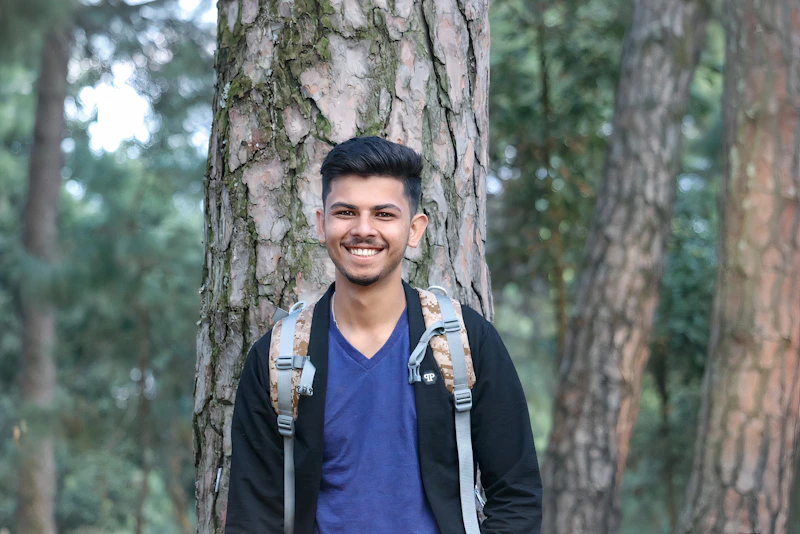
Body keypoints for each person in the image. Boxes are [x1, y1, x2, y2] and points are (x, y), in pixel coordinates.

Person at [225, 136, 542, 534]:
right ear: (323, 224)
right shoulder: (278, 357)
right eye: (345, 212)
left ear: (414, 229)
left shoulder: (463, 342)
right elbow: (251, 517)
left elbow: (518, 494)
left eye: (383, 214)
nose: (363, 229)